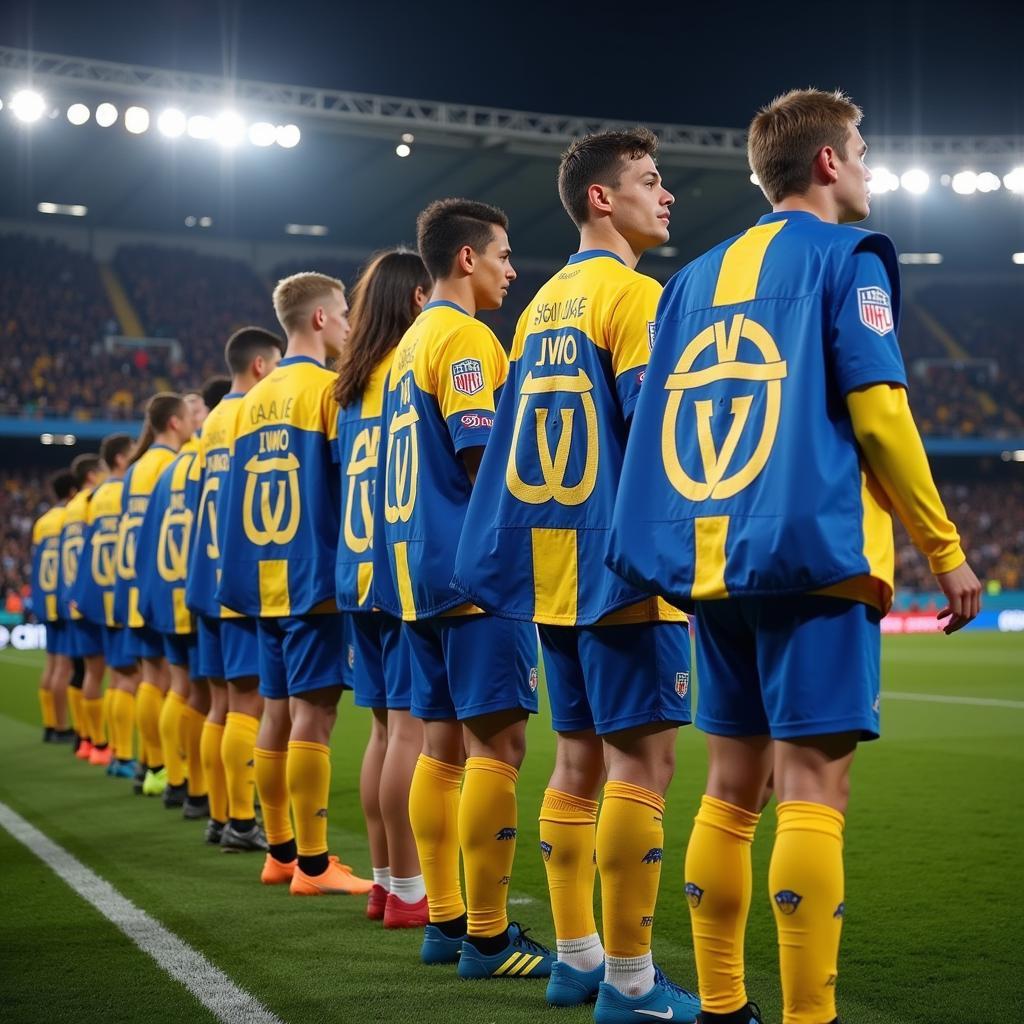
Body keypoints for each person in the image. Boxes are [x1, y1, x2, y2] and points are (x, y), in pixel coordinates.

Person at [607, 88, 982, 1024]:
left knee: (729, 791)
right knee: (815, 787)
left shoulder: (691, 279)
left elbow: (656, 425)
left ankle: (725, 1007)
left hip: (710, 562)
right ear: (825, 163)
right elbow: (882, 413)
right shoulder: (848, 257)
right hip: (815, 555)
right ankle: (811, 1016)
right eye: (860, 149)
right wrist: (945, 547)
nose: (867, 167)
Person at [453, 129, 700, 1020]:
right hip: (627, 572)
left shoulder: (540, 305)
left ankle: (575, 959)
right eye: (647, 179)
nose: (664, 195)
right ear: (603, 198)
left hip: (551, 571)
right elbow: (657, 439)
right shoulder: (635, 297)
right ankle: (631, 982)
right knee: (645, 764)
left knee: (575, 764)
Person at [373, 199, 550, 978]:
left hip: (414, 575)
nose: (514, 270)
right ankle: (486, 936)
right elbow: (484, 463)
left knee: (439, 751)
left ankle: (443, 921)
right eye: (505, 255)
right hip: (474, 576)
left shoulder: (406, 343)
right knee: (500, 748)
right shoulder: (466, 339)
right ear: (468, 259)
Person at [217, 277, 372, 897]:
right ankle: (313, 865)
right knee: (315, 717)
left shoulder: (252, 400)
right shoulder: (326, 391)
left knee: (275, 714)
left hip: (262, 577)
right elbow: (344, 484)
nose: (347, 327)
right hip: (312, 578)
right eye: (340, 316)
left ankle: (279, 851)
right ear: (316, 319)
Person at [334, 249, 432, 927]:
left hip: (356, 568)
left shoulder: (349, 381)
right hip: (400, 566)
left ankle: (382, 881)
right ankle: (409, 888)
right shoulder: (410, 365)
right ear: (418, 299)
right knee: (410, 734)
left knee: (380, 732)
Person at [187, 335, 283, 851]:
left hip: (207, 576)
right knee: (247, 705)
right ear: (261, 363)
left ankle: (222, 815)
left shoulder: (211, 423)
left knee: (221, 705)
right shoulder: (252, 412)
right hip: (239, 579)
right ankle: (243, 822)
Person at [136, 388, 219, 811]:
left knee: (176, 688)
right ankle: (195, 786)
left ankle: (172, 775)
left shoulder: (160, 470)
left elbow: (145, 536)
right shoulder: (198, 458)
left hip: (164, 590)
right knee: (205, 697)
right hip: (194, 589)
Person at [113, 393, 194, 796]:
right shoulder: (168, 464)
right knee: (176, 684)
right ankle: (170, 770)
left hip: (135, 581)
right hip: (165, 580)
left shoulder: (136, 468)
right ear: (175, 423)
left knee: (150, 680)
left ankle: (150, 764)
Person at [72, 432, 137, 778]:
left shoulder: (93, 498)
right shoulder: (127, 491)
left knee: (103, 675)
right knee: (128, 677)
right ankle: (123, 755)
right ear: (121, 460)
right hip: (119, 593)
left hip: (94, 593)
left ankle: (100, 745)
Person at [60, 454, 109, 764]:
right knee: (105, 672)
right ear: (92, 475)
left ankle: (85, 738)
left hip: (73, 596)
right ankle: (101, 743)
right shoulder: (93, 501)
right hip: (92, 596)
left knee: (83, 670)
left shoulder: (70, 509)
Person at [31, 469, 77, 743]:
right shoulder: (67, 518)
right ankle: (61, 727)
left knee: (51, 665)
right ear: (72, 492)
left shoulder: (42, 522)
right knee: (64, 668)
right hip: (61, 598)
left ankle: (50, 724)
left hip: (44, 597)